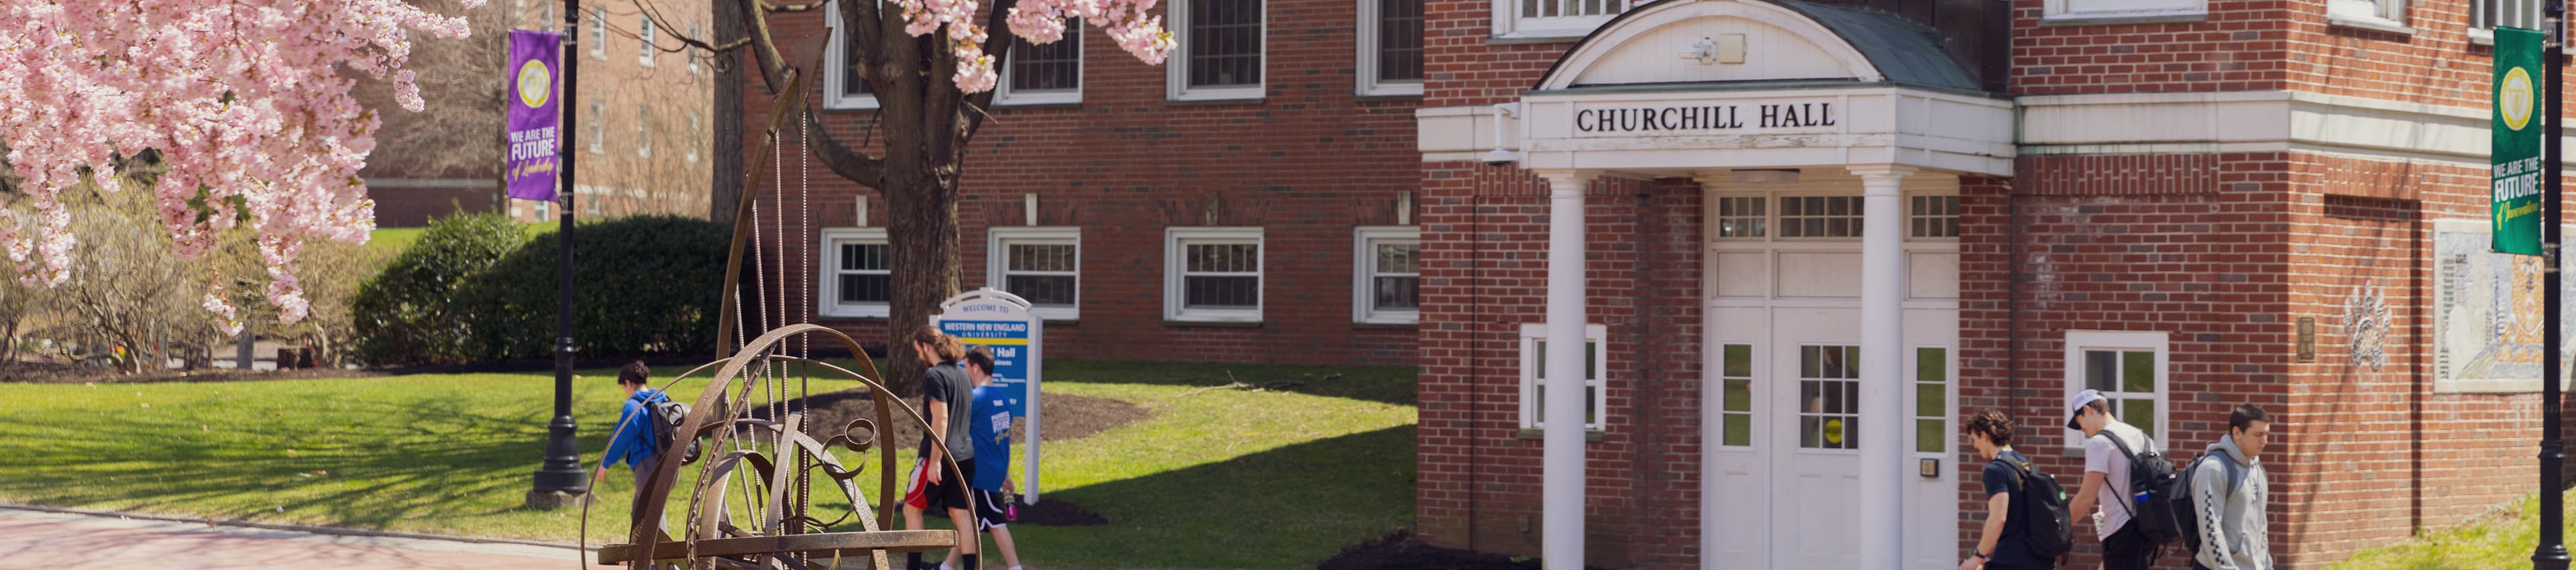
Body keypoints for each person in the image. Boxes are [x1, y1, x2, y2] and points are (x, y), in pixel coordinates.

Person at [942, 346, 1028, 570]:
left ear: (976, 367)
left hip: (980, 474)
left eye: (966, 366)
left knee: (995, 522)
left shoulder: (975, 398)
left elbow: (954, 429)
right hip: (995, 471)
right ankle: (946, 567)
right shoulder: (1004, 399)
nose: (965, 371)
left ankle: (1015, 567)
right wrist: (1006, 474)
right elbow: (1002, 440)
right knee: (969, 523)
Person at [902, 328, 981, 570]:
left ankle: (912, 568)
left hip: (940, 454)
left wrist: (935, 461)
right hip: (966, 454)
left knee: (911, 508)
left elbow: (941, 418)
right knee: (961, 515)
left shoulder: (934, 376)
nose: (918, 356)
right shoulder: (963, 376)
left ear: (926, 347)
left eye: (918, 351)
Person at [2065, 388, 2158, 570]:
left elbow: (2086, 498)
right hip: (2144, 529)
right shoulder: (2141, 436)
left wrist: (2058, 528)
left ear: (2087, 410)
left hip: (2120, 533)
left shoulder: (2100, 443)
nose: (2083, 431)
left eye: (2079, 422)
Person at [1964, 409, 2052, 570]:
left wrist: (1977, 557)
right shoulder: (2025, 463)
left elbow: (1999, 518)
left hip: (2011, 559)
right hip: (2039, 555)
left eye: (1975, 439)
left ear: (1984, 435)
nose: (1975, 446)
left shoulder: (1995, 469)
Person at [2191, 404, 2271, 570]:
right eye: (2258, 435)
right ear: (2237, 433)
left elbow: (2261, 526)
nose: (2264, 441)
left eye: (2266, 434)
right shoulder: (2213, 469)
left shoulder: (2257, 468)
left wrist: (2267, 565)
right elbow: (2210, 528)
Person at [596, 361, 668, 526]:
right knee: (638, 511)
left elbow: (621, 437)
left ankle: (660, 550)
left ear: (628, 383)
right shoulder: (661, 398)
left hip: (647, 465)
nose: (625, 391)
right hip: (666, 461)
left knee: (652, 512)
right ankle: (640, 549)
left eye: (623, 387)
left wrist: (605, 463)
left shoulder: (634, 406)